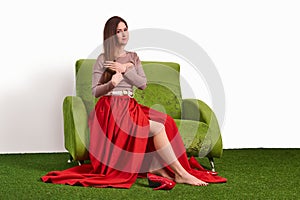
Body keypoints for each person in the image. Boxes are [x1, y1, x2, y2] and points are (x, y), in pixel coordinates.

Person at [41, 16, 226, 189]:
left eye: (125, 30)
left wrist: (125, 69)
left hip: (129, 106)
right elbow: (95, 91)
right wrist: (111, 84)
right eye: (119, 31)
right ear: (111, 35)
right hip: (109, 110)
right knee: (157, 128)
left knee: (166, 122)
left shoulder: (134, 57)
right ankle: (181, 174)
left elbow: (143, 84)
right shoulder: (102, 59)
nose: (124, 34)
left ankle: (156, 167)